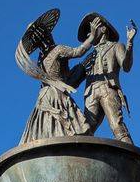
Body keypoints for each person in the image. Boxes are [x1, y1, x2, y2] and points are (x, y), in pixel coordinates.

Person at [16, 9, 95, 143]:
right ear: (48, 35)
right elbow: (78, 51)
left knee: (46, 132)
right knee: (64, 129)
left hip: (44, 97)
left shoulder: (40, 60)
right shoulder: (58, 49)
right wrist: (92, 37)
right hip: (56, 96)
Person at [76, 12, 137, 143]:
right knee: (85, 131)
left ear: (103, 29)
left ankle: (130, 154)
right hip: (91, 93)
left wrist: (130, 43)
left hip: (108, 89)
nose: (89, 34)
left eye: (92, 28)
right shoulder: (89, 56)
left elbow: (126, 67)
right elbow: (75, 78)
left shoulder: (116, 46)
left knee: (117, 126)